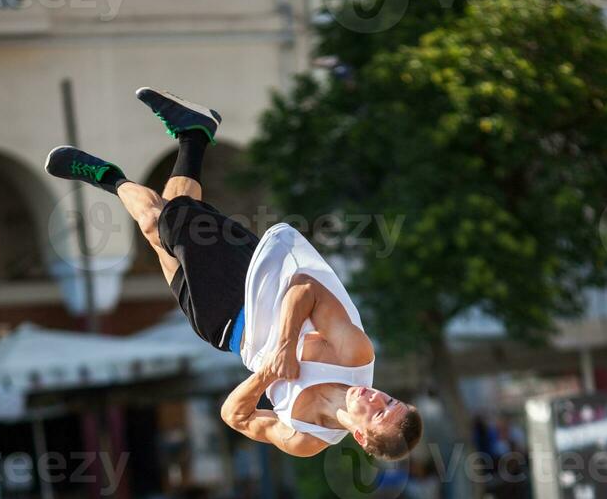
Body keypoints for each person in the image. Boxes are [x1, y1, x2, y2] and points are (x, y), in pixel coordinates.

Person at [45, 88, 422, 460]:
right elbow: (305, 288)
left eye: (378, 413)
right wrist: (286, 347)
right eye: (388, 399)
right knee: (158, 222)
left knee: (167, 233)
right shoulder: (353, 356)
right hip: (253, 281)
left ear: (360, 435)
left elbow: (234, 415)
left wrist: (267, 375)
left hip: (223, 332)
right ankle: (107, 176)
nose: (375, 397)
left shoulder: (307, 438)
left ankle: (194, 134)